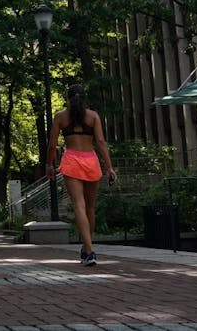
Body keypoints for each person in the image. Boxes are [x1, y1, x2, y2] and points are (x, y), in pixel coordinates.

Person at [48, 82, 116, 266]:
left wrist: (49, 165)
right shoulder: (93, 116)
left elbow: (52, 145)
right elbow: (100, 141)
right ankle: (87, 249)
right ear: (84, 98)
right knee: (90, 208)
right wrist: (109, 167)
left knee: (79, 205)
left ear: (68, 99)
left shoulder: (60, 117)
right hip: (91, 161)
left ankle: (89, 250)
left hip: (71, 161)